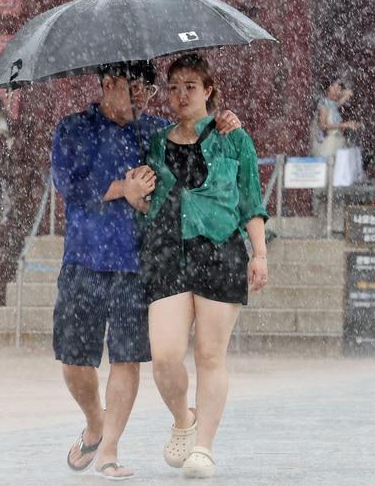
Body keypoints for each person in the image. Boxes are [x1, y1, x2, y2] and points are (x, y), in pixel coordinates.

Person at [50, 61, 240, 480]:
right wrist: (123, 189)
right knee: (74, 361)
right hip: (83, 258)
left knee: (126, 358)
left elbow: (195, 137)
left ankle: (110, 450)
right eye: (135, 89)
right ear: (110, 84)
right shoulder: (72, 129)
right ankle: (95, 422)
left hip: (138, 261)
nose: (143, 99)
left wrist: (224, 120)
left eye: (149, 92)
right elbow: (68, 183)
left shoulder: (153, 132)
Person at [129, 54, 268, 479]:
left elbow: (251, 201)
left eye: (190, 86)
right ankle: (183, 420)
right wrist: (136, 198)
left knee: (210, 354)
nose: (181, 95)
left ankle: (204, 446)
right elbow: (148, 202)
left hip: (221, 252)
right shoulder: (155, 140)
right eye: (174, 87)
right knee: (165, 356)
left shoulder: (233, 138)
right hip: (167, 253)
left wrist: (260, 253)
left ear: (208, 90)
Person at [311, 77, 358, 158]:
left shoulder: (333, 104)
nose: (336, 90)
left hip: (337, 141)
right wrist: (344, 125)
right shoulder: (324, 104)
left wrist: (349, 124)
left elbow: (349, 94)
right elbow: (323, 126)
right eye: (333, 87)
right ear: (328, 88)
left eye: (338, 88)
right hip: (329, 144)